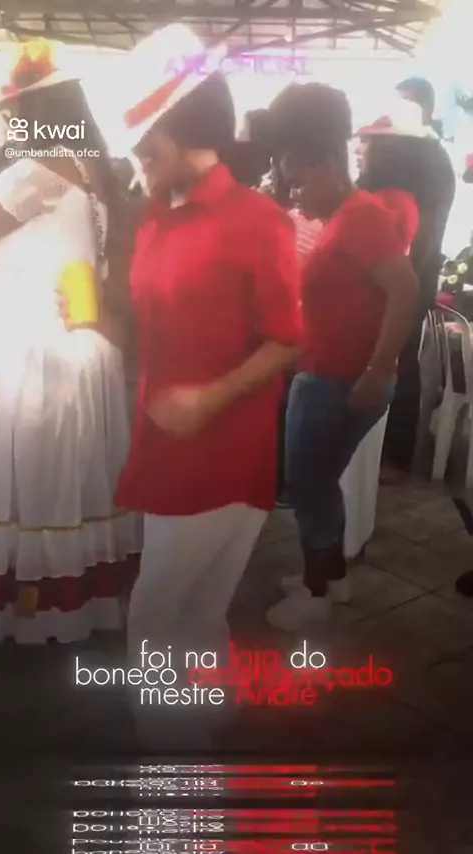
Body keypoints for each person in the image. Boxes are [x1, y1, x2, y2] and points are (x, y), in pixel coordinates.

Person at [114, 26, 301, 699]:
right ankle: (199, 725)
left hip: (221, 448)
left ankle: (167, 742)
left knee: (157, 612)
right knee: (194, 613)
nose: (137, 151)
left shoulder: (258, 220)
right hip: (163, 437)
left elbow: (289, 339)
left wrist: (208, 399)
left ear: (190, 128)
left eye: (147, 137)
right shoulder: (153, 212)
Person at [0, 39, 142, 644]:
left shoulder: (38, 170)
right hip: (83, 345)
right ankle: (68, 605)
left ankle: (28, 609)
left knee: (31, 482)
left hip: (33, 349)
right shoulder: (95, 170)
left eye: (12, 112)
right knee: (68, 482)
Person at [264, 83, 419, 630]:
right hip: (328, 374)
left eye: (298, 181)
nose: (294, 194)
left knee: (307, 485)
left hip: (338, 379)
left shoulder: (360, 217)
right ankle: (331, 576)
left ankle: (317, 591)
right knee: (319, 482)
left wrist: (378, 369)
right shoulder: (347, 216)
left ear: (325, 164)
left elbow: (405, 290)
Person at [359, 115, 455, 481]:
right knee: (405, 362)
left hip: (390, 295)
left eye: (370, 145)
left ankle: (387, 458)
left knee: (393, 363)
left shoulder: (394, 203)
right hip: (417, 287)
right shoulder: (427, 190)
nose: (361, 151)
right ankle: (394, 457)